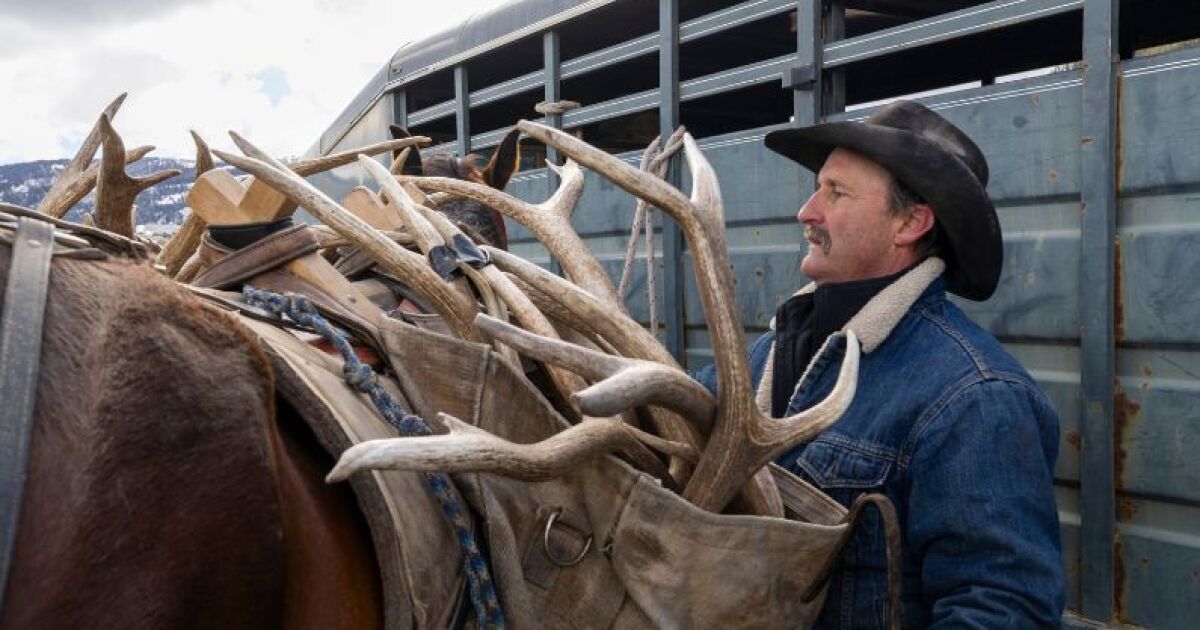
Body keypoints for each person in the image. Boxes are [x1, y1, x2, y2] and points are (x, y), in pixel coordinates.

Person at [692, 100, 1065, 627]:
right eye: (818, 187)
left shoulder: (977, 397)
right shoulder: (768, 355)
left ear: (910, 222)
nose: (807, 211)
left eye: (835, 192)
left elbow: (1001, 611)